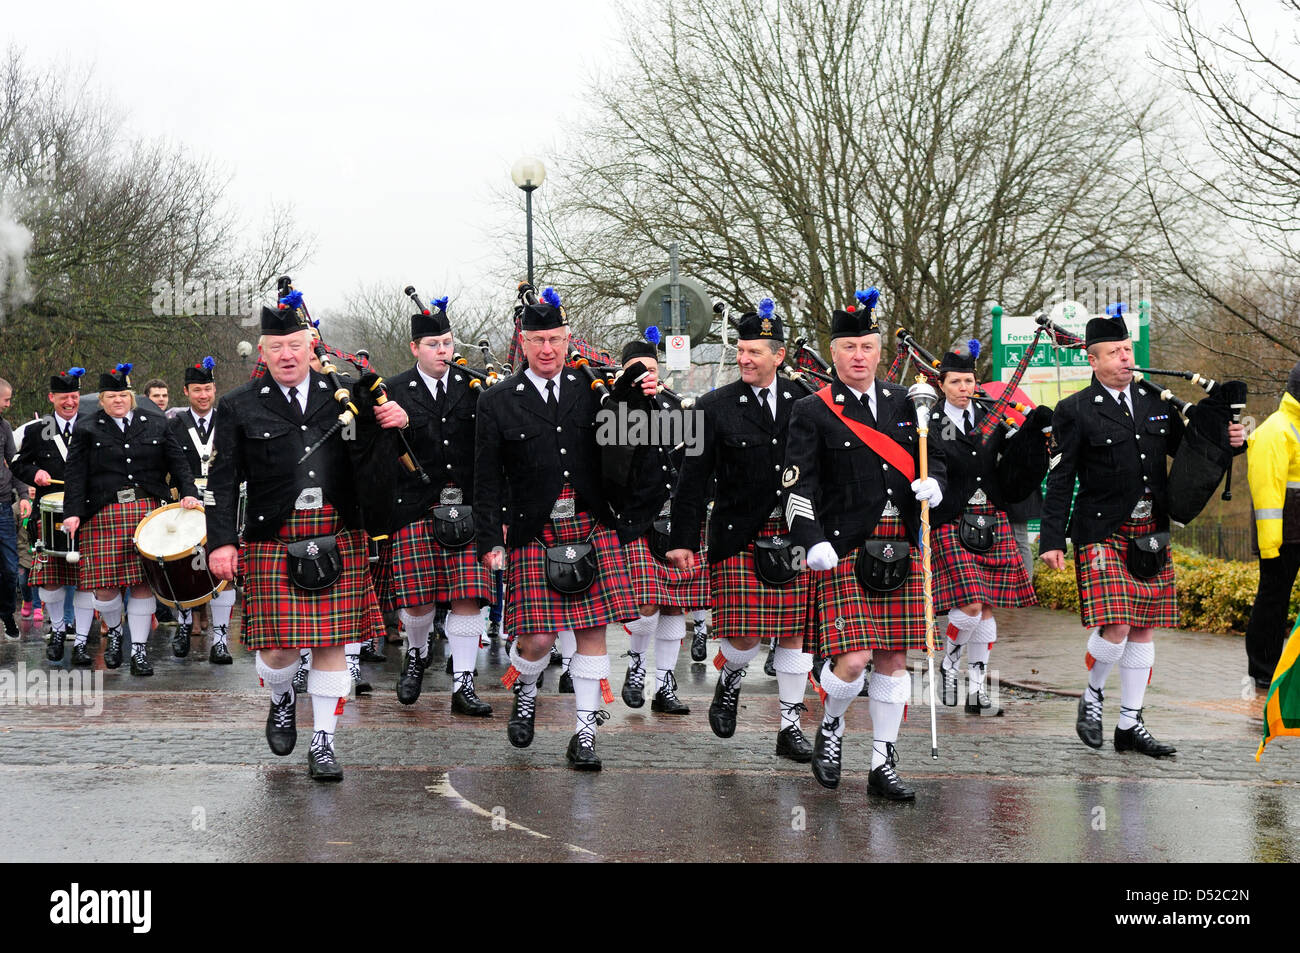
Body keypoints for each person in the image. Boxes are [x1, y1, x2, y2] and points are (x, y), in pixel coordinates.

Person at [207, 303, 409, 781]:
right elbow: (221, 480)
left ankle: (323, 741)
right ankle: (281, 698)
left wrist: (401, 419)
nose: (287, 355)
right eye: (276, 348)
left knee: (331, 644)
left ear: (311, 347)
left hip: (337, 532)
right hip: (272, 537)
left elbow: (376, 449)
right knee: (277, 653)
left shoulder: (343, 396)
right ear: (263, 352)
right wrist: (220, 542)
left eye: (295, 346)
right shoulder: (239, 404)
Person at [1040, 305, 1245, 757]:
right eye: (1114, 353)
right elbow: (1060, 478)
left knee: (1145, 629)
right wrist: (1053, 540)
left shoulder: (1157, 403)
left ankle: (1130, 723)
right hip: (1101, 530)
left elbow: (1187, 451)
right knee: (1115, 626)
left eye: (1128, 350)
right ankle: (1092, 696)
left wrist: (1231, 442)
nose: (1125, 358)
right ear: (1093, 360)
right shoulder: (1074, 410)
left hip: (1150, 529)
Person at [781, 293, 945, 796]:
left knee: (894, 659)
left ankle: (882, 763)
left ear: (879, 352)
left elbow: (934, 460)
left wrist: (935, 483)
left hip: (901, 544)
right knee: (852, 661)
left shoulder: (909, 402)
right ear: (834, 353)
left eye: (867, 346)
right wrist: (810, 540)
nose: (858, 355)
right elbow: (796, 483)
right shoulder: (812, 409)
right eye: (849, 346)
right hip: (846, 547)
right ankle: (831, 723)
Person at [474, 284, 637, 771]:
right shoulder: (498, 400)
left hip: (591, 523)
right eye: (538, 340)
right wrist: (488, 540)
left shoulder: (595, 391)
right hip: (531, 527)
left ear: (569, 340)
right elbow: (485, 477)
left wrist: (637, 399)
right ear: (522, 342)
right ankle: (526, 686)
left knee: (591, 632)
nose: (547, 349)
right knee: (539, 640)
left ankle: (585, 732)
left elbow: (633, 445)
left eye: (556, 339)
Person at [667, 299, 816, 764]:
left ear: (780, 355)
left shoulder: (807, 404)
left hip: (796, 532)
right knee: (746, 637)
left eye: (755, 351)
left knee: (793, 634)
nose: (745, 359)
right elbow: (692, 480)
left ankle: (790, 725)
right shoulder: (713, 406)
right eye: (742, 350)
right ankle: (730, 679)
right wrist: (683, 541)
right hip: (738, 534)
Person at [384, 296, 494, 717]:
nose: (442, 351)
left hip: (467, 505)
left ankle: (463, 683)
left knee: (468, 596)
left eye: (447, 343)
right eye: (433, 344)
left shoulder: (475, 387)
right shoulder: (392, 391)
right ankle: (416, 653)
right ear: (415, 348)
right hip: (414, 505)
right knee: (418, 601)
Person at [928, 341, 1050, 716]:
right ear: (942, 385)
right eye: (956, 382)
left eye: (969, 381)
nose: (964, 388)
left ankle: (977, 688)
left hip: (990, 517)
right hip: (949, 517)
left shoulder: (992, 416)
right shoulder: (929, 422)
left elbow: (1015, 458)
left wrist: (1036, 432)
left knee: (986, 609)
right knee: (969, 606)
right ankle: (949, 663)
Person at [61, 363, 200, 676]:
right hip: (102, 512)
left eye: (122, 394)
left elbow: (179, 462)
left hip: (146, 511)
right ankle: (114, 632)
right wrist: (72, 513)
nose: (117, 400)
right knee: (105, 589)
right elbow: (75, 473)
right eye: (111, 396)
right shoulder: (87, 427)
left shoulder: (156, 423)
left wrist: (188, 492)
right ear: (102, 400)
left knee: (142, 584)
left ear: (131, 396)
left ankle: (139, 651)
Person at [604, 338, 699, 716]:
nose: (647, 375)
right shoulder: (613, 408)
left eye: (652, 368)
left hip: (675, 518)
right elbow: (610, 468)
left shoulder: (679, 409)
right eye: (637, 369)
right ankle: (636, 667)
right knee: (645, 604)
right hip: (637, 518)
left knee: (675, 607)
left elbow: (698, 467)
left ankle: (664, 686)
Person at [12, 367, 96, 662]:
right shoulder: (37, 431)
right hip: (48, 514)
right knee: (51, 578)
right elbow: (17, 465)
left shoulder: (92, 425)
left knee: (87, 578)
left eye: (74, 396)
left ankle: (83, 639)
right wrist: (35, 473)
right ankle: (58, 629)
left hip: (85, 512)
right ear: (52, 398)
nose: (70, 402)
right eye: (64, 397)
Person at [166, 356, 236, 664]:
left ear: (214, 389)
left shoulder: (229, 420)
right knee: (184, 570)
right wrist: (187, 493)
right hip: (187, 505)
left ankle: (220, 639)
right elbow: (173, 465)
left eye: (207, 389)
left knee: (226, 572)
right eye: (197, 390)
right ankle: (183, 626)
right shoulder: (174, 425)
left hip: (224, 505)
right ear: (186, 391)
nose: (203, 395)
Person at [1244, 360, 1300, 688]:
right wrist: (1269, 545)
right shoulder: (1275, 430)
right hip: (1283, 536)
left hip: (1293, 531)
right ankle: (1263, 671)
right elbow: (1267, 495)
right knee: (1273, 601)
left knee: (1275, 601)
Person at [0, 379, 26, 639]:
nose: (9, 404)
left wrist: (25, 494)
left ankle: (7, 613)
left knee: (10, 567)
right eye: (6, 399)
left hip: (4, 508)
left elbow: (15, 462)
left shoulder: (4, 427)